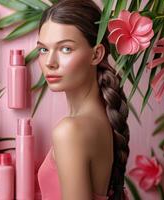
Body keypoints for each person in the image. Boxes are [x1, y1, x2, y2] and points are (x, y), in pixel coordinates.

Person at [36, 0, 130, 200]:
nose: (49, 62)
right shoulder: (103, 119)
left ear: (96, 54)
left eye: (65, 49)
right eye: (43, 49)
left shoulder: (70, 131)